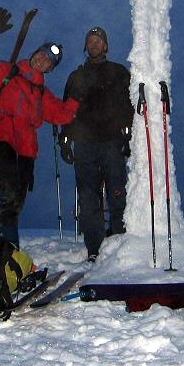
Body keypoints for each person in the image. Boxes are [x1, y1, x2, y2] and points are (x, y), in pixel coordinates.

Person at [0, 7, 80, 247]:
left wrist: (79, 94)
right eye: (41, 54)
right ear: (34, 53)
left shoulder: (41, 93)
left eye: (49, 60)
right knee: (8, 195)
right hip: (0, 138)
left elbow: (62, 114)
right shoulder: (7, 72)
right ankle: (9, 245)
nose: (42, 59)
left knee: (16, 201)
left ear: (50, 69)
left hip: (27, 151)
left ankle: (3, 242)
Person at [59, 27, 133, 262]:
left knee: (117, 193)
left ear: (106, 45)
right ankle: (94, 248)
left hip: (112, 141)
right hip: (84, 143)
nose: (94, 44)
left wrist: (130, 136)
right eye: (90, 40)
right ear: (86, 46)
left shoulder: (119, 72)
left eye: (98, 40)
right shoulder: (76, 77)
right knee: (88, 197)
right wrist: (65, 139)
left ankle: (121, 241)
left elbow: (130, 106)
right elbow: (66, 110)